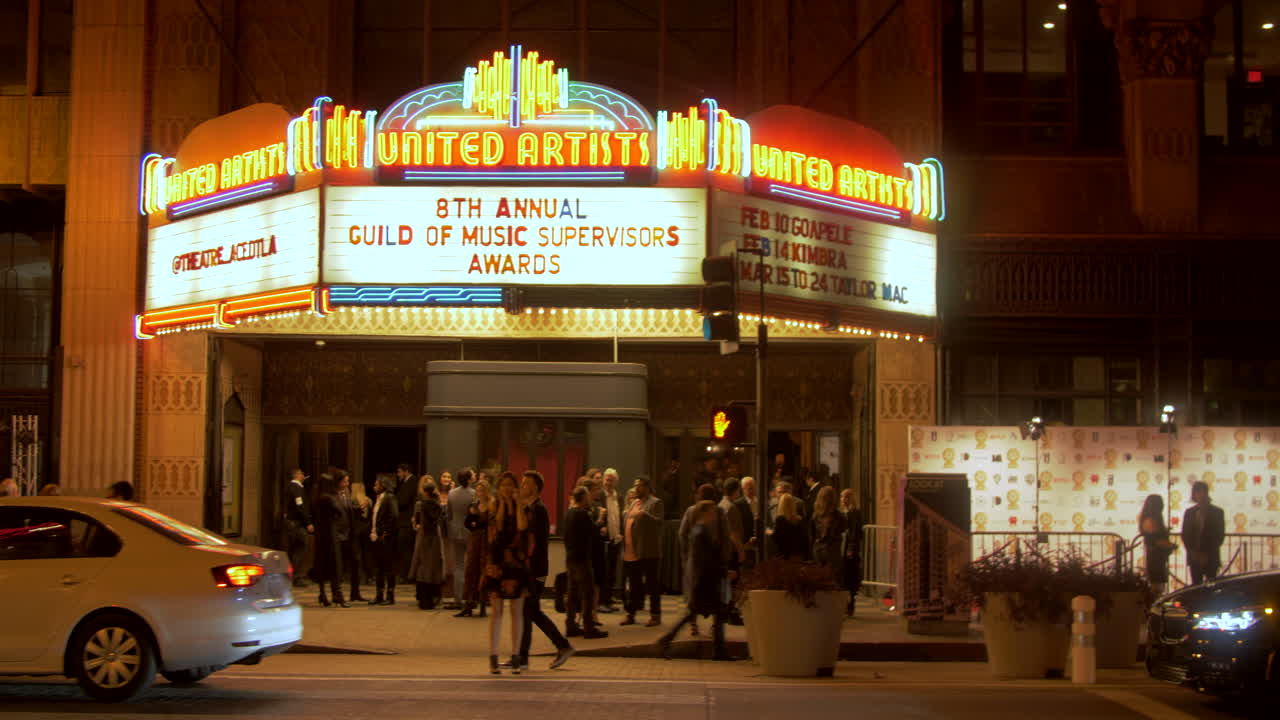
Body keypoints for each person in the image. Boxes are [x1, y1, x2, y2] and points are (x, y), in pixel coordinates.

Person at [657, 500, 733, 661]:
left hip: (706, 581)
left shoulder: (701, 530)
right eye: (711, 512)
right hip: (705, 581)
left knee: (702, 613)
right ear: (704, 513)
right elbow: (703, 560)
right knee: (714, 612)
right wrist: (719, 572)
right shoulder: (700, 532)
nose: (714, 515)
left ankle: (667, 640)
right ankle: (719, 650)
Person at [517, 470, 575, 671]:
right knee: (529, 612)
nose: (521, 486)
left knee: (529, 611)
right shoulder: (530, 508)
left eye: (525, 483)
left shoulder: (538, 510)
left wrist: (527, 563)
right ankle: (523, 656)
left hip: (535, 569)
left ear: (534, 487)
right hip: (532, 567)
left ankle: (560, 646)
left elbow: (537, 542)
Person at [484, 471, 529, 674]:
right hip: (498, 562)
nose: (507, 488)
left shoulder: (521, 506)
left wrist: (517, 503)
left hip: (516, 563)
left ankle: (516, 655)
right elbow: (497, 528)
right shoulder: (494, 506)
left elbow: (521, 527)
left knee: (516, 611)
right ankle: (493, 655)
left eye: (511, 485)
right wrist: (503, 504)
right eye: (503, 485)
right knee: (497, 610)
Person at [678, 484, 726, 638]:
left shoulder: (691, 511)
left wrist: (686, 554)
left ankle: (693, 625)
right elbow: (725, 536)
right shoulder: (718, 511)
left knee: (694, 595)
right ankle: (715, 628)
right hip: (713, 561)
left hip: (695, 561)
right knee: (717, 596)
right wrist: (725, 557)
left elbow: (682, 533)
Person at [563, 485, 608, 639]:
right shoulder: (581, 514)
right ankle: (589, 627)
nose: (590, 499)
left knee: (572, 592)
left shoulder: (568, 513)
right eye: (588, 496)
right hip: (582, 559)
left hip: (570, 558)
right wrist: (601, 519)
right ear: (582, 498)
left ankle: (570, 625)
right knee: (588, 593)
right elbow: (593, 531)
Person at [622, 476, 664, 628]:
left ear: (647, 487)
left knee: (652, 585)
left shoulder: (656, 503)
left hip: (649, 551)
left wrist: (644, 515)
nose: (636, 489)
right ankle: (631, 614)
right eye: (635, 485)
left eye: (639, 486)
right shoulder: (634, 502)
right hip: (632, 551)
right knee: (634, 585)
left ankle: (655, 615)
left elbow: (659, 522)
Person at [309, 473, 348, 607]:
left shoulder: (316, 497)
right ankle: (337, 595)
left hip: (320, 535)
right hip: (331, 534)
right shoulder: (329, 498)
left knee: (321, 564)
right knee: (335, 565)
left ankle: (323, 594)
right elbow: (340, 512)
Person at [409, 476, 446, 610]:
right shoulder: (437, 504)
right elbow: (440, 519)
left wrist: (417, 525)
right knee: (434, 566)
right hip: (435, 536)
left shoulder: (422, 504)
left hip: (424, 536)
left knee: (422, 565)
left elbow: (417, 521)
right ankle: (433, 597)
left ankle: (423, 598)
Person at [1182, 480, 1225, 585]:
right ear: (1194, 495)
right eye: (1197, 492)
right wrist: (1193, 553)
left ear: (1207, 493)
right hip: (1194, 557)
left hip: (1210, 557)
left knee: (1211, 586)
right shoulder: (1189, 512)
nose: (1200, 495)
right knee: (1196, 586)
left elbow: (1219, 536)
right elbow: (1185, 535)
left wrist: (1206, 554)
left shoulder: (1217, 512)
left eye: (1203, 492)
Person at [448, 468, 477, 616]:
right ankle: (470, 597)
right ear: (469, 478)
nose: (475, 475)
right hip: (469, 532)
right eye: (473, 474)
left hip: (455, 530)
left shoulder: (452, 493)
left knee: (458, 565)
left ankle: (457, 598)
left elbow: (449, 513)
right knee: (470, 565)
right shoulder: (474, 494)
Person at [463, 479, 494, 618]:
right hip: (474, 539)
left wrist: (478, 522)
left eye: (482, 490)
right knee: (470, 569)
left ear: (487, 491)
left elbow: (492, 524)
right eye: (478, 490)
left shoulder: (492, 505)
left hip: (486, 541)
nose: (480, 492)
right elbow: (468, 523)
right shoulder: (473, 505)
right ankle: (468, 604)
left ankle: (482, 604)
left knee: (483, 569)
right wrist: (473, 518)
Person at [368, 476, 399, 605]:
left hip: (386, 538)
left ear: (383, 486)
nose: (374, 487)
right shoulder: (379, 499)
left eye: (377, 485)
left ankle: (390, 595)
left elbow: (394, 516)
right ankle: (379, 594)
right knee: (379, 567)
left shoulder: (389, 498)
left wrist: (386, 532)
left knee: (388, 567)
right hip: (378, 536)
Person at [597, 468, 624, 610]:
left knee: (613, 570)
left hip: (616, 538)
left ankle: (608, 599)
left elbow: (618, 516)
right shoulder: (599, 496)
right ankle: (602, 601)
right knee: (605, 571)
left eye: (611, 480)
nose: (608, 482)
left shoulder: (618, 496)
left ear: (616, 482)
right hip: (604, 539)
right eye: (606, 479)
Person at [1139, 494, 1175, 596]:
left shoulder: (1150, 520)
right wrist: (1170, 545)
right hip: (1155, 559)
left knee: (1158, 586)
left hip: (1157, 558)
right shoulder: (1151, 521)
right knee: (1157, 588)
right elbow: (1156, 540)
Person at [284, 469, 313, 587]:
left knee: (294, 549)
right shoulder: (297, 488)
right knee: (300, 548)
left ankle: (291, 575)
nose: (303, 476)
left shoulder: (289, 487)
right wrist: (308, 523)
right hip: (297, 524)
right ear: (296, 475)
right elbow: (300, 506)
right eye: (301, 474)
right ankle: (297, 576)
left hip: (291, 523)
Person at [810, 486, 846, 577]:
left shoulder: (816, 515)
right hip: (832, 548)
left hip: (818, 547)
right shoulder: (838, 516)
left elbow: (812, 533)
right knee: (834, 576)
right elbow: (843, 528)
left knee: (819, 576)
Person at [840, 489, 864, 616]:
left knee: (849, 577)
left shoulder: (853, 513)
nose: (842, 500)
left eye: (844, 497)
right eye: (842, 497)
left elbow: (855, 532)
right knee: (847, 577)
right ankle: (848, 604)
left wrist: (850, 548)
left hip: (850, 549)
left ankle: (850, 604)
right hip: (846, 548)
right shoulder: (846, 512)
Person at [348, 477, 372, 601]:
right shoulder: (366, 500)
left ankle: (358, 586)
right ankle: (364, 578)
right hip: (364, 533)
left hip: (356, 534)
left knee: (357, 559)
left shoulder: (352, 501)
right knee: (362, 558)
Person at [393, 464, 418, 583]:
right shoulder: (408, 482)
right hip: (405, 521)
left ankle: (406, 575)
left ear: (406, 471)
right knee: (405, 548)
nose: (398, 475)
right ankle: (405, 574)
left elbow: (403, 500)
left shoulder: (411, 482)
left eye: (399, 472)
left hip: (406, 521)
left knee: (405, 548)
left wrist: (394, 504)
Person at [771, 493, 808, 559]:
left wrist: (769, 532)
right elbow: (804, 539)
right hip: (798, 555)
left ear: (781, 504)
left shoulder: (780, 519)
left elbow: (777, 538)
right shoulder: (799, 519)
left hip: (785, 555)